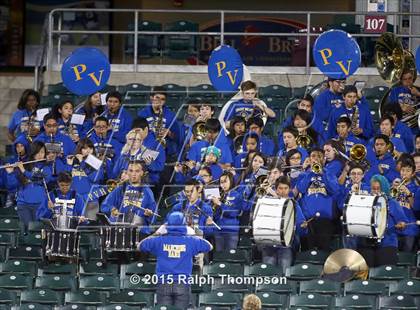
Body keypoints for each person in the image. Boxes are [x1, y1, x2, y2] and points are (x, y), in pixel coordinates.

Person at [138, 211, 213, 309]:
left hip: (163, 283)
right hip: (182, 283)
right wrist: (191, 233)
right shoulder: (190, 240)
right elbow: (209, 246)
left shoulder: (159, 240)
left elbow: (140, 246)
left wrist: (157, 233)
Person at [356, 175, 407, 267]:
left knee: (385, 274)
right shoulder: (365, 202)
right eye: (373, 188)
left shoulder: (392, 203)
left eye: (378, 189)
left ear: (384, 189)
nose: (375, 191)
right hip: (365, 243)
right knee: (365, 274)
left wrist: (401, 224)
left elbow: (402, 221)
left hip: (387, 243)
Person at [296, 148, 340, 251]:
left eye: (319, 156)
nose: (316, 159)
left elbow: (334, 190)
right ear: (309, 159)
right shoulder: (303, 175)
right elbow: (301, 189)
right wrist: (311, 173)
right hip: (308, 220)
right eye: (313, 156)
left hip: (325, 220)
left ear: (324, 160)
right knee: (307, 251)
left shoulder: (329, 174)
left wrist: (322, 174)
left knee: (324, 251)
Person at [260, 176, 307, 273]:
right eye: (280, 188)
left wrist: (302, 226)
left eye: (285, 188)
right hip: (269, 244)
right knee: (267, 274)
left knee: (284, 274)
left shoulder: (294, 204)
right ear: (276, 190)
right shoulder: (268, 203)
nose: (283, 191)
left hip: (285, 245)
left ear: (289, 189)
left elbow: (300, 224)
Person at [5, 141, 53, 233]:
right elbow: (12, 186)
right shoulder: (25, 165)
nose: (40, 155)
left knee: (37, 231)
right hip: (23, 204)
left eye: (42, 152)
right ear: (32, 152)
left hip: (40, 205)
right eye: (37, 152)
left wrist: (23, 171)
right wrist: (10, 173)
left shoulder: (47, 167)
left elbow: (40, 179)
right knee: (26, 231)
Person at [101, 160, 157, 234]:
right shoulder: (120, 189)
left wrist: (149, 214)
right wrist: (112, 209)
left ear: (142, 173)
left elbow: (153, 216)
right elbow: (104, 206)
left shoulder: (147, 192)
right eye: (131, 171)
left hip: (139, 232)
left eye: (137, 171)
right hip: (119, 230)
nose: (133, 174)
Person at [137, 86, 181, 158]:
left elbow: (177, 137)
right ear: (151, 98)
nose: (160, 101)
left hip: (165, 148)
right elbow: (138, 133)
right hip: (146, 145)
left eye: (162, 99)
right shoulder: (142, 114)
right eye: (157, 98)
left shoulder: (171, 115)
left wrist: (169, 133)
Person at [209, 171, 243, 251]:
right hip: (218, 229)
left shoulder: (236, 195)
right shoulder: (219, 195)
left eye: (225, 182)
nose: (223, 184)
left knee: (230, 257)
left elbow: (233, 213)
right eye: (221, 182)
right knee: (219, 256)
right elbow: (215, 213)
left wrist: (220, 204)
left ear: (231, 181)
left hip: (231, 230)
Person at [392, 160, 419, 252]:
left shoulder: (416, 188)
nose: (405, 173)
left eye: (408, 171)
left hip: (410, 229)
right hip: (395, 228)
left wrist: (408, 193)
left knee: (407, 259)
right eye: (403, 170)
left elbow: (415, 207)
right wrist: (392, 190)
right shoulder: (394, 187)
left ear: (412, 174)